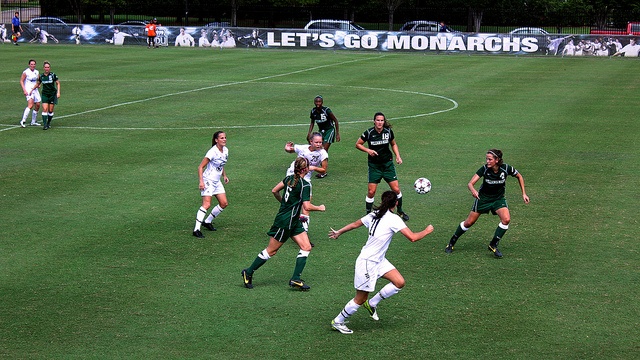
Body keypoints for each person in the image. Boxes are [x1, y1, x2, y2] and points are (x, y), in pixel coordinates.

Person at [328, 190, 434, 334]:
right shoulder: (394, 219)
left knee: (399, 282)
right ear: (396, 204)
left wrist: (339, 232)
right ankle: (338, 321)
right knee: (360, 298)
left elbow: (354, 224)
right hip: (367, 262)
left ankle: (372, 303)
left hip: (379, 260)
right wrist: (427, 231)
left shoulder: (373, 214)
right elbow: (413, 237)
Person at [241, 157, 326, 291]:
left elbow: (274, 190)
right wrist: (319, 207)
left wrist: (283, 203)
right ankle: (249, 271)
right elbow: (307, 206)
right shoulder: (304, 184)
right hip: (285, 222)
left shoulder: (289, 179)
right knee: (271, 251)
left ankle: (295, 279)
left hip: (293, 221)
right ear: (305, 169)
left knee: (306, 247)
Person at [445, 149, 530, 258]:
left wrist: (524, 193)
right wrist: (473, 191)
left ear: (497, 160)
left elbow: (519, 176)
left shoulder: (506, 168)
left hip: (498, 199)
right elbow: (470, 183)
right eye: (487, 159)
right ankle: (452, 242)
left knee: (506, 219)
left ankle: (493, 244)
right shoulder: (484, 169)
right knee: (469, 223)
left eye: (490, 159)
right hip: (483, 199)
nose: (487, 161)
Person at [356, 112, 409, 221]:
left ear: (384, 122)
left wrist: (398, 156)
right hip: (374, 166)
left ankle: (400, 211)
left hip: (387, 165)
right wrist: (368, 150)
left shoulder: (388, 132)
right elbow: (358, 144)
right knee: (371, 192)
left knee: (396, 189)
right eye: (378, 120)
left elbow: (393, 144)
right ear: (374, 121)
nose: (380, 122)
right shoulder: (369, 133)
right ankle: (368, 213)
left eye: (382, 120)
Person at [284, 132, 328, 232]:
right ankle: (293, 225)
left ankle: (304, 231)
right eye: (316, 142)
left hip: (306, 178)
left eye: (320, 142)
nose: (319, 144)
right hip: (292, 174)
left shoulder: (323, 153)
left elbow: (324, 169)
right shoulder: (303, 148)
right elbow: (290, 150)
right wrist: (287, 148)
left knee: (306, 206)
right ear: (311, 142)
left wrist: (314, 167)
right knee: (294, 202)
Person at [193, 131, 230, 238]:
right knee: (206, 205)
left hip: (217, 181)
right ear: (216, 140)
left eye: (225, 137)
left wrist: (224, 176)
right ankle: (196, 230)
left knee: (224, 203)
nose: (224, 139)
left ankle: (207, 222)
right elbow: (200, 167)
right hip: (208, 180)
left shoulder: (226, 150)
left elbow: (221, 164)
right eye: (222, 138)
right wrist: (201, 181)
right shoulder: (212, 152)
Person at [307, 95, 340, 178]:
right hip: (321, 131)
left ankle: (323, 171)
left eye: (319, 102)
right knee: (319, 149)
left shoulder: (326, 110)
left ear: (322, 102)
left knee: (324, 150)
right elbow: (312, 122)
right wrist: (309, 133)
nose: (318, 103)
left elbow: (335, 120)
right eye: (316, 102)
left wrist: (337, 133)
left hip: (329, 130)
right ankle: (321, 168)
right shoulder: (313, 111)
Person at [32, 61, 60, 130]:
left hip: (52, 94)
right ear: (43, 68)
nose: (47, 69)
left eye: (48, 67)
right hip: (45, 94)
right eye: (45, 67)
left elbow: (58, 83)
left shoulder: (53, 75)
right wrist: (31, 89)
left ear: (49, 68)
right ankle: (45, 125)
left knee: (50, 110)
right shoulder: (41, 76)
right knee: (45, 109)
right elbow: (38, 83)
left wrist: (58, 92)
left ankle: (48, 123)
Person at [20, 59, 42, 128]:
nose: (33, 65)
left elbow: (38, 80)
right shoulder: (26, 72)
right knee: (30, 105)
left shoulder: (36, 72)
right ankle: (23, 120)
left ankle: (33, 121)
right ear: (29, 65)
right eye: (31, 64)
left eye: (34, 64)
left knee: (38, 104)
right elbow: (21, 81)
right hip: (29, 90)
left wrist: (38, 84)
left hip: (35, 90)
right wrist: (24, 90)